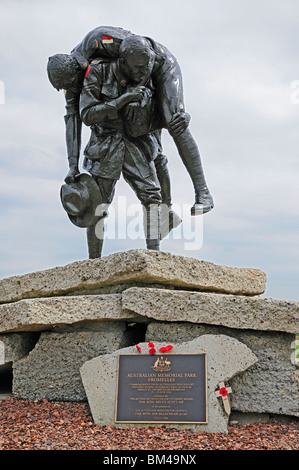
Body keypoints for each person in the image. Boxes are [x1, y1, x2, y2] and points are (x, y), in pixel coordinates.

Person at [47, 26, 214, 217]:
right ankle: (166, 211)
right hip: (135, 79)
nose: (72, 92)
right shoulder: (72, 80)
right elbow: (72, 120)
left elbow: (142, 52)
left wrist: (141, 91)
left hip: (160, 66)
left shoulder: (100, 39)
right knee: (149, 145)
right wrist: (72, 165)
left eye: (71, 86)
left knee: (174, 120)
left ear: (77, 69)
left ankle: (203, 192)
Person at [78, 35, 165, 258]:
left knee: (152, 196)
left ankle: (154, 256)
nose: (141, 72)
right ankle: (93, 263)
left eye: (144, 67)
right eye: (136, 68)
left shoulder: (146, 75)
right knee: (98, 205)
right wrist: (123, 100)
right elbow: (87, 114)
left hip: (137, 143)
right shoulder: (98, 71)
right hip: (105, 145)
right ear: (123, 61)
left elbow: (159, 115)